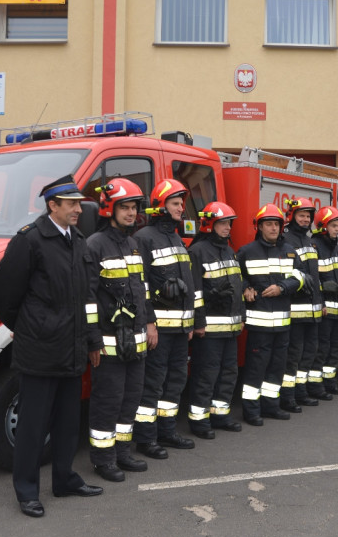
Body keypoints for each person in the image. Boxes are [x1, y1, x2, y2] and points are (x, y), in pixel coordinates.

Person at [0, 174, 104, 518]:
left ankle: (65, 479)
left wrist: (92, 340)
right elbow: (1, 292)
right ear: (52, 205)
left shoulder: (79, 241)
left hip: (72, 349)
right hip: (39, 351)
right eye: (71, 204)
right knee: (33, 426)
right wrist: (24, 328)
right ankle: (26, 491)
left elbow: (88, 298)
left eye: (79, 204)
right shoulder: (30, 241)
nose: (78, 210)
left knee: (68, 422)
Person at [85, 178, 153, 483]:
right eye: (124, 207)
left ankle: (123, 453)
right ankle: (103, 459)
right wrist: (93, 341)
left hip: (136, 341)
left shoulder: (133, 244)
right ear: (109, 208)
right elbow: (88, 298)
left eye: (134, 207)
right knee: (107, 401)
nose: (130, 213)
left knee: (131, 400)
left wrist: (150, 322)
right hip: (109, 345)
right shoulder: (94, 245)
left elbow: (143, 290)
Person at [133, 178, 200, 459]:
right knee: (153, 384)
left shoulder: (176, 237)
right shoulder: (144, 238)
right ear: (161, 205)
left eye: (181, 203)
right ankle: (146, 439)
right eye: (175, 203)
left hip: (179, 328)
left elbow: (188, 285)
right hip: (158, 329)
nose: (181, 208)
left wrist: (191, 323)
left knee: (175, 381)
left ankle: (167, 431)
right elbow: (142, 285)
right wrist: (149, 323)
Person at [237, 203, 304, 425]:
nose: (273, 228)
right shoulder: (246, 251)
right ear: (259, 227)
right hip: (259, 325)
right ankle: (251, 411)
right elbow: (236, 276)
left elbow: (301, 277)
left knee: (277, 367)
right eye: (269, 224)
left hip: (283, 323)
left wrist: (282, 287)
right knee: (256, 368)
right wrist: (245, 287)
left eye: (276, 224)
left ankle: (271, 406)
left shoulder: (290, 251)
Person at [187, 201, 245, 438]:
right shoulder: (197, 251)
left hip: (230, 326)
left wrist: (240, 316)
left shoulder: (229, 250)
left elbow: (237, 285)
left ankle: (220, 415)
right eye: (222, 223)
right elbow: (195, 292)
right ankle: (199, 421)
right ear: (209, 224)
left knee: (228, 372)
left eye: (229, 224)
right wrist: (199, 322)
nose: (227, 228)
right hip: (209, 328)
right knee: (206, 374)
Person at [281, 198, 324, 410]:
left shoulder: (309, 241)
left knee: (309, 352)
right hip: (295, 310)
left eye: (308, 216)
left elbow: (315, 277)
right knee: (294, 355)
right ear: (292, 216)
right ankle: (288, 396)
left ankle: (301, 391)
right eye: (301, 215)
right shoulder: (286, 240)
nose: (306, 219)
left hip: (313, 310)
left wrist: (321, 301)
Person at [312, 205, 338, 397]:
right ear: (322, 226)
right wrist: (322, 304)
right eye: (333, 225)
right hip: (326, 311)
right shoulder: (315, 247)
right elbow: (315, 279)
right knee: (322, 349)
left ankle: (330, 382)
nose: (337, 229)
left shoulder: (336, 248)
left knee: (336, 347)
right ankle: (317, 387)